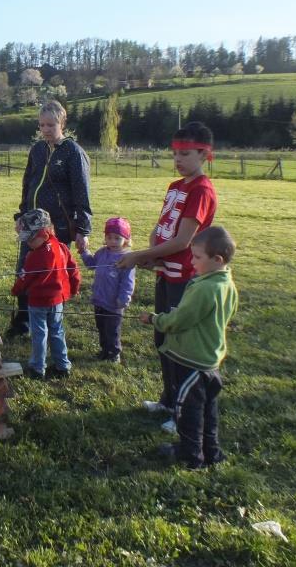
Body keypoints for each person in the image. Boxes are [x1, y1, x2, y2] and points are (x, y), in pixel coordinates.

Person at [117, 121, 217, 432]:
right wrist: (153, 255)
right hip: (166, 272)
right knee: (163, 337)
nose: (178, 160)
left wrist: (138, 256)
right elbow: (162, 228)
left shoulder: (201, 191)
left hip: (184, 278)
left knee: (180, 344)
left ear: (204, 154)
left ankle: (185, 414)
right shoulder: (175, 186)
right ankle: (169, 400)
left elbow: (183, 241)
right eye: (175, 154)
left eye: (185, 154)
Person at [139, 226, 238, 469]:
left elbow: (179, 320)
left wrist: (155, 319)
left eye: (197, 257)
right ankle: (211, 452)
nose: (192, 262)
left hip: (191, 361)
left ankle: (191, 456)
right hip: (210, 362)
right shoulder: (226, 283)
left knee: (188, 413)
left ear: (217, 260)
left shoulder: (204, 288)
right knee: (208, 411)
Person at [10, 100, 92, 337]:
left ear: (61, 123)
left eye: (51, 125)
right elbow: (28, 183)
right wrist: (21, 215)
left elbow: (82, 192)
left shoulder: (73, 152)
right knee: (25, 270)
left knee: (49, 275)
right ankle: (23, 321)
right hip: (31, 225)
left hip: (58, 227)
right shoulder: (37, 149)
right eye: (42, 125)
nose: (45, 129)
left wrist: (83, 229)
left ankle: (50, 324)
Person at [10, 208, 80, 379]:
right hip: (58, 301)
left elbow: (25, 279)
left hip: (38, 302)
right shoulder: (61, 247)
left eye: (30, 238)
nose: (28, 242)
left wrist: (16, 290)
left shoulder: (34, 257)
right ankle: (62, 366)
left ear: (43, 233)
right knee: (57, 331)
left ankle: (37, 368)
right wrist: (74, 287)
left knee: (39, 335)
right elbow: (73, 270)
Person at [79, 217, 136, 363]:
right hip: (99, 299)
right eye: (109, 237)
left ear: (126, 239)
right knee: (101, 327)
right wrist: (84, 252)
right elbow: (91, 264)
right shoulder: (102, 252)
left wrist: (124, 297)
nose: (112, 241)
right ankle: (104, 350)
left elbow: (128, 281)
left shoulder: (126, 258)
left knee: (112, 330)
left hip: (114, 303)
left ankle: (114, 353)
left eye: (117, 238)